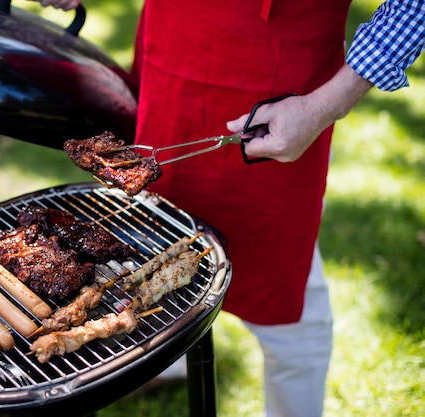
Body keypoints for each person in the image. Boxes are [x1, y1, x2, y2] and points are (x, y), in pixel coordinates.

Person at [0, 1, 424, 416]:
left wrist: (326, 103)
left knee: (291, 314)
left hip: (282, 91)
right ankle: (168, 356)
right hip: (170, 61)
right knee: (147, 241)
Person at [33, 0, 424, 416]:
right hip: (173, 49)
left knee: (288, 304)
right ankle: (170, 355)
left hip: (275, 83)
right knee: (158, 233)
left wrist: (325, 105)